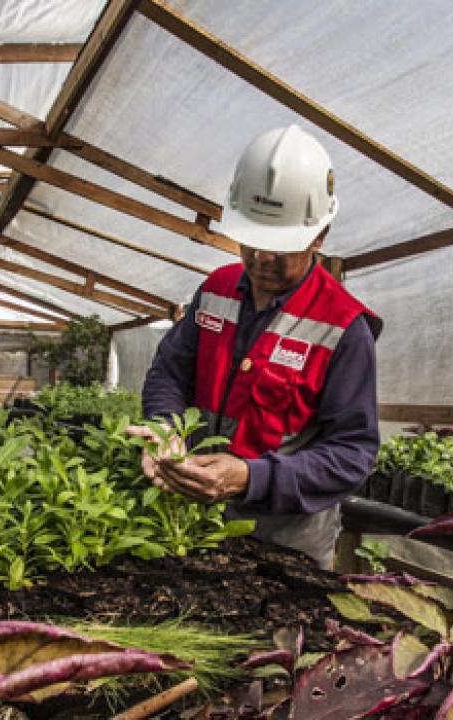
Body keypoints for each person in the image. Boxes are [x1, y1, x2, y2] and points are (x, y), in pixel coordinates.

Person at [135, 124, 382, 569]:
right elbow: (170, 372)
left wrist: (251, 477)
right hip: (194, 522)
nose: (261, 258)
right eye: (252, 240)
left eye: (279, 245)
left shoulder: (344, 327)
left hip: (285, 543)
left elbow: (351, 454)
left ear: (319, 236)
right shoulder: (215, 290)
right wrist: (165, 430)